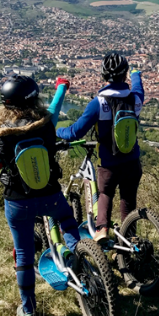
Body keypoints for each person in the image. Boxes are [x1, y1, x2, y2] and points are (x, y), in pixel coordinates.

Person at [0, 75, 79, 316]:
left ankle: (28, 311)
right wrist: (61, 87)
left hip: (18, 202)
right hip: (50, 195)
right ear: (34, 98)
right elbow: (56, 106)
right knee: (68, 220)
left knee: (24, 254)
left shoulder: (2, 134)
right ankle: (76, 254)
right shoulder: (46, 123)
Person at [56, 52, 144, 242]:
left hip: (109, 163)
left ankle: (102, 229)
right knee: (128, 201)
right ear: (125, 74)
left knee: (105, 194)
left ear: (104, 76)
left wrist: (58, 131)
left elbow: (75, 133)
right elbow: (138, 87)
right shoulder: (135, 100)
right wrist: (136, 73)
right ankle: (129, 240)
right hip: (132, 161)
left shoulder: (99, 103)